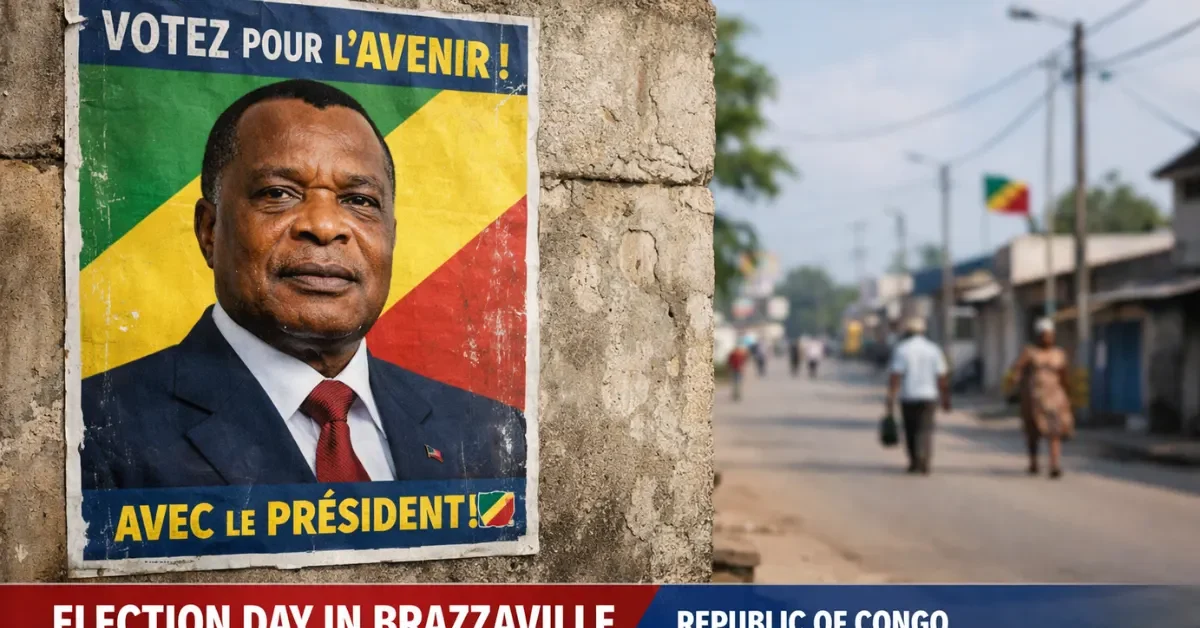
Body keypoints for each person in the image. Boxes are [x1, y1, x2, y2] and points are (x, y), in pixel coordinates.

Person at [81, 80, 526, 489]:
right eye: (278, 193)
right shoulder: (94, 431)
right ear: (209, 230)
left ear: (391, 235)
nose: (325, 225)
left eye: (359, 200)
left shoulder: (491, 434)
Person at [1010, 318, 1074, 479]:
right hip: (1034, 399)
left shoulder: (1058, 354)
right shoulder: (1030, 352)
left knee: (1055, 431)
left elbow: (1064, 375)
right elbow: (1017, 369)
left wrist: (1068, 395)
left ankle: (1054, 465)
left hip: (1055, 398)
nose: (1047, 338)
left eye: (1050, 335)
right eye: (1044, 335)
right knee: (1033, 433)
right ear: (1038, 336)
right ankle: (1033, 463)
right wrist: (1016, 380)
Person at [886, 317, 950, 475]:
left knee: (910, 429)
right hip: (929, 396)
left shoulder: (902, 349)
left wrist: (891, 397)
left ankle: (914, 461)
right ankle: (925, 461)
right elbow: (941, 376)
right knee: (926, 429)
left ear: (907, 332)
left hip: (908, 395)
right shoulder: (933, 349)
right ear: (923, 331)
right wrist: (945, 398)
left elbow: (895, 375)